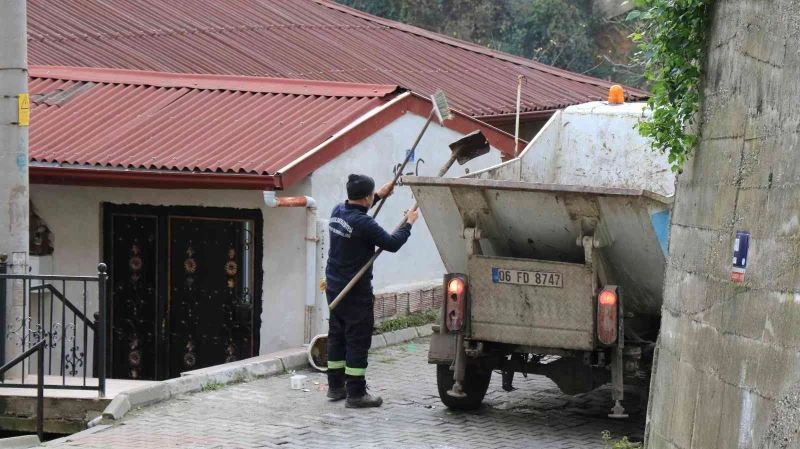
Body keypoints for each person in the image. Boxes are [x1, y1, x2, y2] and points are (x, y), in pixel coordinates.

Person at [325, 174, 419, 408]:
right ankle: (356, 393)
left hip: (335, 288)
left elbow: (358, 211)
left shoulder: (338, 211)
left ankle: (335, 387)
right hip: (355, 292)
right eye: (371, 195)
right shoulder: (364, 224)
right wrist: (409, 223)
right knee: (357, 340)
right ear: (366, 197)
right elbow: (392, 243)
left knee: (337, 336)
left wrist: (378, 195)